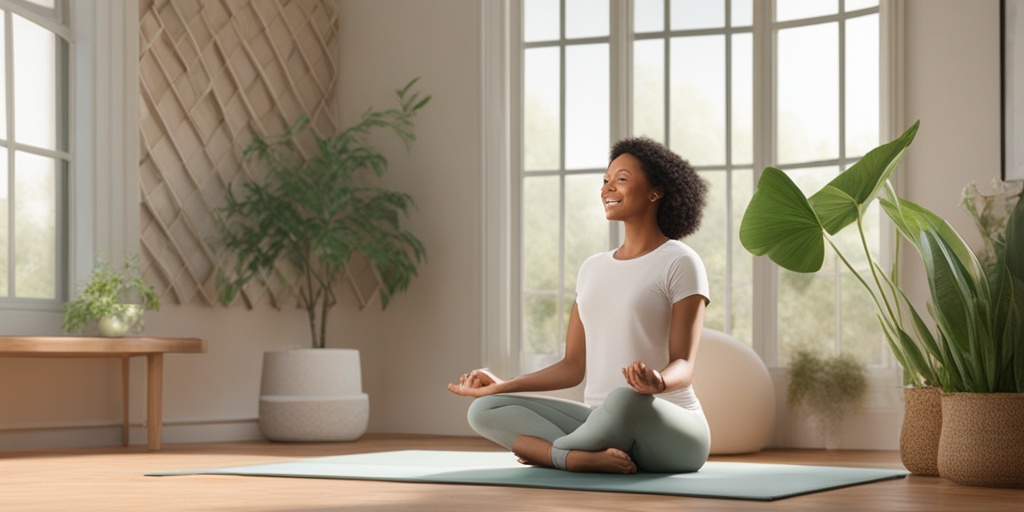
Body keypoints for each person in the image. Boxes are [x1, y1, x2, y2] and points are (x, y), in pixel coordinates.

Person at [448, 137, 710, 474]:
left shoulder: (680, 261)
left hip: (670, 431)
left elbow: (684, 365)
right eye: (605, 180)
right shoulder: (592, 268)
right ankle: (578, 455)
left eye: (622, 179)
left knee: (625, 398)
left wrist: (656, 382)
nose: (607, 188)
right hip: (599, 424)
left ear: (655, 192)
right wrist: (502, 385)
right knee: (484, 410)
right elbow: (572, 366)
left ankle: (558, 457)